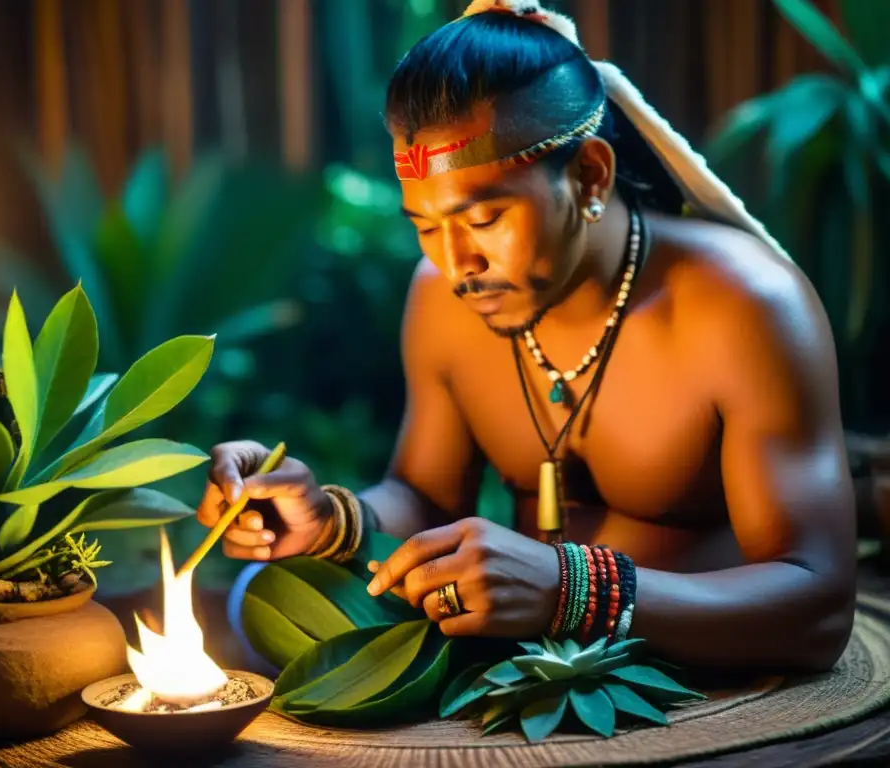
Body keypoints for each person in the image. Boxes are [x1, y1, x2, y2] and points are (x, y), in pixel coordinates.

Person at [199, 0, 856, 672]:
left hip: (707, 678)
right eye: (426, 226)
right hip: (522, 672)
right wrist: (334, 520)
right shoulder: (441, 296)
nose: (457, 264)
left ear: (590, 176)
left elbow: (820, 609)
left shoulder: (742, 305)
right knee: (257, 599)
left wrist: (576, 590)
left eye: (484, 218)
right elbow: (425, 498)